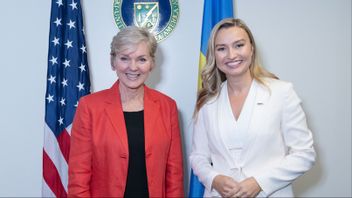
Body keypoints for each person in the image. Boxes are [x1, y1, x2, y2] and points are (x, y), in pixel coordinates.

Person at [189, 18, 316, 197]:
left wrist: (260, 182)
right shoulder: (207, 101)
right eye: (222, 48)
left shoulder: (281, 92)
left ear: (251, 49)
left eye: (239, 45)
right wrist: (214, 179)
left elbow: (304, 154)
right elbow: (198, 157)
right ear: (214, 55)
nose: (231, 55)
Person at [68, 26, 184, 197]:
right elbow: (79, 177)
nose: (133, 67)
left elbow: (174, 176)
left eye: (141, 59)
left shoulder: (168, 107)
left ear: (152, 63)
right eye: (125, 58)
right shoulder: (89, 107)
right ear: (113, 62)